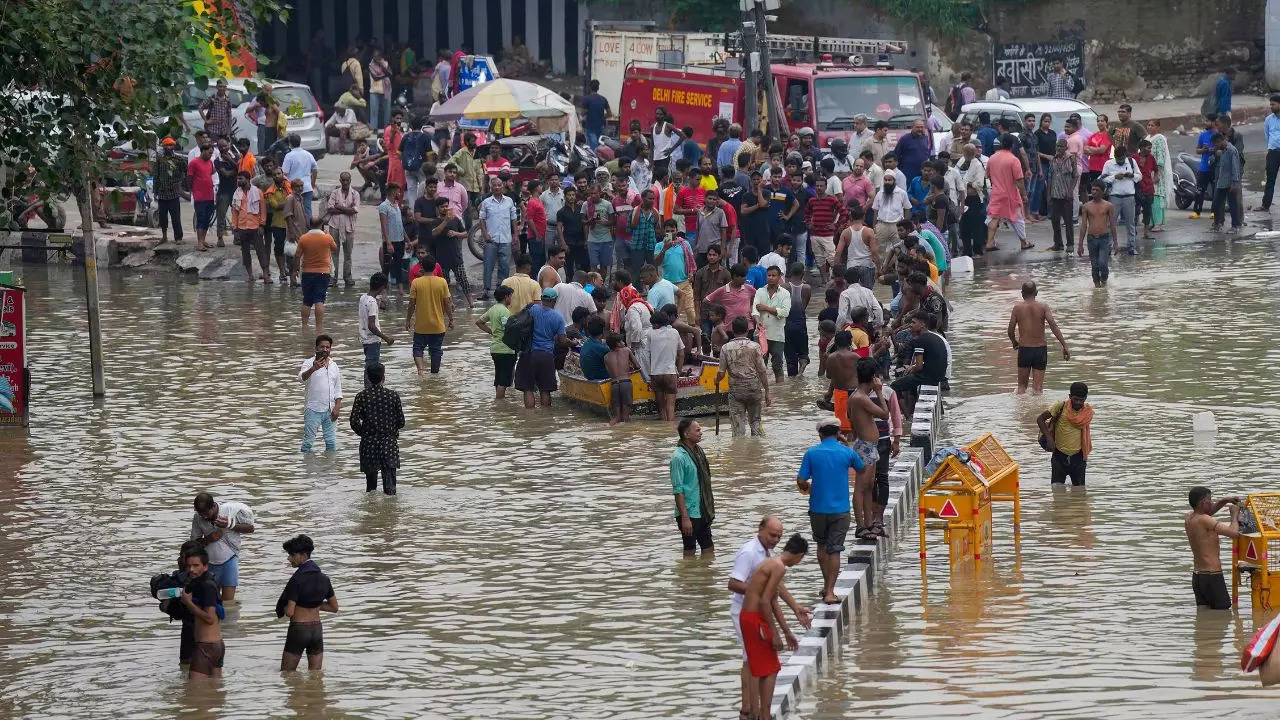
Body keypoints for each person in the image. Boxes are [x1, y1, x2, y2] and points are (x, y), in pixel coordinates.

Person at [728, 517, 811, 720]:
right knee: (755, 663)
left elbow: (775, 591)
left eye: (779, 537)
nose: (775, 540)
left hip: (756, 614)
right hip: (746, 612)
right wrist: (759, 589)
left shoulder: (771, 556)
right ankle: (751, 711)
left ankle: (753, 711)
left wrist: (794, 608)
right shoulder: (750, 552)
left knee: (758, 664)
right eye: (772, 535)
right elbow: (734, 584)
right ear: (761, 529)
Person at [796, 417, 865, 603]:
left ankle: (827, 586)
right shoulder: (846, 453)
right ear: (838, 433)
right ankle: (830, 592)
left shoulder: (811, 453)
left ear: (820, 434)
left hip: (817, 509)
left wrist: (809, 489)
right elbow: (862, 468)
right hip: (840, 511)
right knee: (835, 550)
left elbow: (801, 481)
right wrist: (846, 444)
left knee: (821, 546)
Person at [275, 534, 338, 671]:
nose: (289, 558)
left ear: (303, 555)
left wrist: (294, 605)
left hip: (299, 630)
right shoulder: (324, 578)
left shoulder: (296, 579)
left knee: (287, 675)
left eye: (292, 555)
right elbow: (334, 607)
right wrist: (314, 605)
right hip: (316, 630)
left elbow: (290, 612)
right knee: (315, 677)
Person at [349, 362, 405, 494]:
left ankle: (371, 512)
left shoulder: (361, 396)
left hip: (369, 444)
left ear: (367, 377)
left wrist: (365, 433)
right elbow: (401, 422)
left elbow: (354, 421)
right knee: (390, 490)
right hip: (389, 444)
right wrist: (391, 430)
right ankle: (391, 512)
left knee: (371, 489)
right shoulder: (393, 396)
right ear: (383, 378)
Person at [189, 491, 256, 604]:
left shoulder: (229, 510)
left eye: (206, 513)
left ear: (213, 506)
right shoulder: (198, 517)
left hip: (229, 560)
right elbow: (194, 544)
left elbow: (250, 529)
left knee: (228, 604)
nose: (204, 517)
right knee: (209, 601)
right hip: (208, 564)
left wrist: (230, 525)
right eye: (201, 514)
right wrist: (208, 539)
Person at [1185, 486, 1243, 611]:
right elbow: (1233, 533)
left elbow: (1208, 512)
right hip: (1212, 576)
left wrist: (1224, 500)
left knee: (1205, 616)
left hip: (1198, 577)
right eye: (1210, 500)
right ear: (1203, 503)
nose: (1212, 503)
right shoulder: (1206, 520)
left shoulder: (1190, 517)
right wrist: (1234, 515)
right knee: (1223, 613)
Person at [1007, 281, 1069, 394]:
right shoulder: (1043, 307)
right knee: (1038, 389)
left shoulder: (1017, 308)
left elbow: (1010, 329)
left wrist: (1014, 342)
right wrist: (1064, 346)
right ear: (1036, 292)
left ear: (1022, 293)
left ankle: (1021, 411)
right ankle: (1037, 410)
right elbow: (1053, 325)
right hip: (1040, 350)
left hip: (1024, 350)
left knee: (1021, 388)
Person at [716, 316, 770, 436]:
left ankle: (739, 452)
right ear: (747, 330)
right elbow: (762, 371)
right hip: (754, 389)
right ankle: (758, 450)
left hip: (736, 392)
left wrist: (716, 380)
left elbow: (721, 373)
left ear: (732, 331)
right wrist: (767, 392)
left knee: (738, 428)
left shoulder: (725, 348)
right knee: (756, 422)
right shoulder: (755, 346)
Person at [516, 287, 567, 408]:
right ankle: (546, 418)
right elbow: (562, 341)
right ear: (554, 301)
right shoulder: (558, 317)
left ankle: (530, 418)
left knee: (528, 389)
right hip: (547, 356)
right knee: (545, 390)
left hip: (529, 353)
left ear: (541, 299)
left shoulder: (532, 310)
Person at [405, 251, 455, 375]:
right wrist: (451, 319)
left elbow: (411, 304)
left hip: (421, 326)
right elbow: (447, 303)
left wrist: (407, 320)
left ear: (421, 266)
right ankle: (434, 374)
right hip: (437, 326)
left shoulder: (416, 282)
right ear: (435, 267)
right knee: (436, 350)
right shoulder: (442, 282)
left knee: (418, 348)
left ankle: (421, 371)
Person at [670, 418, 714, 556]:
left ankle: (704, 577)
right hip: (688, 512)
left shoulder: (698, 452)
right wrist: (685, 518)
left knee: (709, 550)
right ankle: (687, 577)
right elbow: (678, 490)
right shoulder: (678, 457)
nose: (701, 433)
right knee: (689, 551)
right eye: (698, 430)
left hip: (702, 510)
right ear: (686, 434)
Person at [1036, 381, 1093, 486]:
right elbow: (1040, 419)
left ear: (1085, 398)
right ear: (1070, 396)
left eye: (1082, 400)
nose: (1079, 403)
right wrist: (1049, 438)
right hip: (1059, 456)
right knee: (1057, 490)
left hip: (1079, 458)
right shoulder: (1060, 406)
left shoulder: (1087, 412)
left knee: (1079, 493)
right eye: (1076, 399)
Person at [179, 547, 224, 679]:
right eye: (189, 566)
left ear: (205, 566)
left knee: (194, 694)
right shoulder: (204, 583)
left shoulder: (207, 585)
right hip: (216, 646)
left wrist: (188, 603)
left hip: (206, 647)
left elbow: (210, 618)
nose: (191, 570)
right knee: (215, 692)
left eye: (196, 565)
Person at [890, 313, 946, 417]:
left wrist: (911, 368)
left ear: (922, 325)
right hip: (938, 375)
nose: (910, 325)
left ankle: (907, 416)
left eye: (913, 322)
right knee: (909, 380)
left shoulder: (920, 340)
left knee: (894, 386)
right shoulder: (936, 337)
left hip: (928, 377)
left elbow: (919, 366)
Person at [985, 134, 1031, 251]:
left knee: (993, 217)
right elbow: (1019, 180)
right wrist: (1024, 195)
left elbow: (987, 175)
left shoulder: (992, 158)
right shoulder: (1013, 160)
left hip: (996, 193)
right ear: (1012, 145)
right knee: (1017, 219)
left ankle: (989, 243)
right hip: (1011, 195)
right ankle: (1024, 242)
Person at [299, 334, 343, 452]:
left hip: (330, 410)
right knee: (308, 443)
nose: (325, 349)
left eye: (327, 347)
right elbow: (301, 378)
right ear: (316, 348)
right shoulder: (309, 362)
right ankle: (307, 468)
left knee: (331, 443)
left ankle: (329, 468)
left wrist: (337, 407)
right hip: (313, 409)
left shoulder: (334, 365)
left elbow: (338, 389)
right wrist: (313, 368)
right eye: (322, 347)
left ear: (330, 349)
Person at [295, 218, 338, 332]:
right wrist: (327, 235)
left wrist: (294, 270)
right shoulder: (327, 237)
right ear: (322, 225)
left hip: (307, 273)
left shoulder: (303, 238)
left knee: (307, 300)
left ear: (309, 225)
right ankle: (319, 328)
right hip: (323, 273)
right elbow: (334, 248)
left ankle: (304, 326)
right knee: (319, 300)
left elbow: (297, 255)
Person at [476, 285, 518, 399]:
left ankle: (498, 401)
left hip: (495, 349)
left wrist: (492, 332)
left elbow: (479, 322)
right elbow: (508, 329)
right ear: (506, 297)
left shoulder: (493, 309)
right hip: (506, 350)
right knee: (504, 381)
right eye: (511, 296)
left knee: (498, 378)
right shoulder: (505, 311)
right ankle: (500, 404)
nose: (511, 299)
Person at [642, 307, 684, 421]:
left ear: (657, 324)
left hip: (655, 374)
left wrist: (647, 374)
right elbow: (681, 354)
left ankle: (663, 432)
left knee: (661, 409)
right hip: (670, 373)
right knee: (671, 407)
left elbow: (647, 355)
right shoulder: (675, 332)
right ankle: (670, 430)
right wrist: (678, 372)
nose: (652, 327)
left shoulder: (651, 334)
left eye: (653, 324)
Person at [753, 266, 791, 382]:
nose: (771, 278)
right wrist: (758, 321)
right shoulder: (760, 291)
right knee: (759, 365)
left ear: (779, 277)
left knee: (777, 366)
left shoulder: (785, 293)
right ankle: (760, 390)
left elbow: (785, 312)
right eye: (768, 275)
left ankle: (780, 392)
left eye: (774, 275)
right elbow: (755, 310)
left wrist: (766, 308)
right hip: (761, 334)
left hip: (777, 335)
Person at [230, 170, 269, 283]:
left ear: (247, 179)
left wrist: (262, 225)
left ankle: (266, 275)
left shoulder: (257, 192)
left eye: (240, 179)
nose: (238, 181)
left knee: (260, 251)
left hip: (255, 227)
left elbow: (263, 210)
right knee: (245, 253)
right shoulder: (236, 193)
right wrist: (235, 228)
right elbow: (234, 212)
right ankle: (250, 275)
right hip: (242, 227)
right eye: (238, 179)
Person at [1078, 181, 1118, 286]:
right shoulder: (1086, 206)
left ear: (1102, 192)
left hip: (1104, 239)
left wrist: (1116, 243)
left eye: (1097, 190)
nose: (1094, 192)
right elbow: (1083, 226)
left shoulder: (1108, 206)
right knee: (1094, 266)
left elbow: (1113, 225)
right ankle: (1097, 287)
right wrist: (1080, 245)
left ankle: (1104, 281)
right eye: (1092, 189)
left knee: (1103, 264)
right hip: (1091, 239)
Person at [1102, 144, 1140, 254]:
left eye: (1122, 159)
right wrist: (1114, 177)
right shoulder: (1108, 164)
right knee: (1110, 224)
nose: (1120, 161)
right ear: (1114, 156)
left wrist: (1131, 175)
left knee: (1130, 224)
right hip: (1114, 197)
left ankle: (1131, 247)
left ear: (1125, 156)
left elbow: (1139, 176)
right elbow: (1102, 179)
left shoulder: (1132, 162)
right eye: (1118, 159)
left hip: (1129, 197)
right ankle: (1108, 248)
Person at [326, 171, 361, 288]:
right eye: (343, 180)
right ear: (340, 180)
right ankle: (333, 277)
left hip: (349, 227)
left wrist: (340, 207)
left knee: (348, 254)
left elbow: (354, 210)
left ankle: (347, 277)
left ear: (350, 180)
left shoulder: (355, 193)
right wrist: (347, 209)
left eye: (347, 180)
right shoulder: (335, 192)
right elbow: (330, 209)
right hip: (334, 225)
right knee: (333, 253)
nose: (345, 182)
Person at [358, 272, 395, 384]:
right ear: (383, 287)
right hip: (372, 340)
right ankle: (370, 390)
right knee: (372, 367)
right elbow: (372, 326)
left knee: (369, 365)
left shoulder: (363, 297)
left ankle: (368, 388)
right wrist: (386, 338)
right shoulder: (372, 302)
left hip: (364, 338)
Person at [1047, 139, 1079, 251]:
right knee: (1055, 221)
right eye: (1057, 146)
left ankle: (1070, 244)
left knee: (1068, 222)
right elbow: (1050, 177)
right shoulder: (1053, 160)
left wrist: (1070, 191)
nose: (1059, 148)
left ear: (1066, 147)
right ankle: (1058, 244)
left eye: (1061, 146)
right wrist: (1049, 194)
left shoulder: (1071, 158)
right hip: (1055, 195)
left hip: (1066, 196)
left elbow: (1075, 176)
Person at [602, 331, 638, 425]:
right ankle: (626, 435)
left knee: (617, 418)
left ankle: (611, 428)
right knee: (626, 418)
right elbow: (637, 366)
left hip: (614, 385)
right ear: (617, 343)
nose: (624, 342)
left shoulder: (606, 357)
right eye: (622, 341)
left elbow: (609, 372)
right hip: (626, 383)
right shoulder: (627, 350)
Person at [1211, 132, 1244, 234]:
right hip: (1222, 182)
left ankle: (1235, 226)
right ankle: (1218, 225)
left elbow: (1235, 168)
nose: (1215, 146)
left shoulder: (1231, 150)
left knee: (1233, 205)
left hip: (1230, 183)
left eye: (1216, 144)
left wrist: (1234, 183)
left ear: (1220, 141)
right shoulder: (1222, 151)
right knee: (1216, 203)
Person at [281, 134, 318, 222]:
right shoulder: (308, 154)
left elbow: (284, 173)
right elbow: (315, 169)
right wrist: (312, 184)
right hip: (307, 187)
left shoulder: (289, 156)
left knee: (294, 211)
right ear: (300, 142)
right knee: (307, 210)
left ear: (289, 144)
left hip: (292, 188)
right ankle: (308, 230)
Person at [783, 263, 811, 377]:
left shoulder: (784, 287)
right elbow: (804, 306)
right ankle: (803, 362)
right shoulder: (806, 288)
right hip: (800, 323)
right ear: (802, 274)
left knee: (790, 356)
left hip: (787, 324)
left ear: (790, 273)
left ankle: (793, 378)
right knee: (802, 350)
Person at [1192, 115, 1217, 218]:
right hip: (1203, 168)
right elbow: (1197, 150)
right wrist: (1203, 150)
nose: (1205, 123)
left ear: (1213, 122)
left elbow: (1223, 149)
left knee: (1216, 191)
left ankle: (1214, 212)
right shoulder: (1203, 135)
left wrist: (1213, 150)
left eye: (1207, 121)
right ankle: (1196, 212)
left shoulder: (1219, 134)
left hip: (1215, 168)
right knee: (1199, 190)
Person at [580, 79, 610, 149]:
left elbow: (582, 113)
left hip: (590, 126)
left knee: (593, 147)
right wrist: (602, 116)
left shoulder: (586, 99)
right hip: (600, 126)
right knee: (600, 145)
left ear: (590, 88)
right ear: (598, 88)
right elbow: (609, 114)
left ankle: (594, 159)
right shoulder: (603, 99)